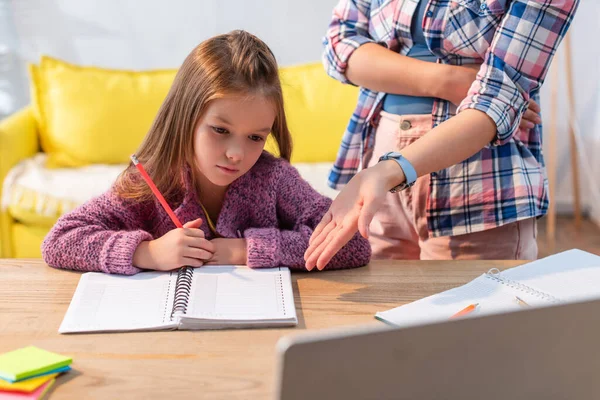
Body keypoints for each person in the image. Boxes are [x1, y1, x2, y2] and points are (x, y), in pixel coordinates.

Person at [42, 30, 371, 275]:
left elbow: (354, 244)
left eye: (256, 137)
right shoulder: (151, 179)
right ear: (186, 117)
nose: (236, 154)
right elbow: (59, 241)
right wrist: (147, 253)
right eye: (221, 131)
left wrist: (245, 249)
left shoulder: (274, 179)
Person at [304, 0, 580, 270]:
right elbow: (338, 44)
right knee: (377, 309)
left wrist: (387, 171)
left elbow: (495, 103)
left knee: (466, 312)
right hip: (379, 168)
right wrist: (450, 82)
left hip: (479, 182)